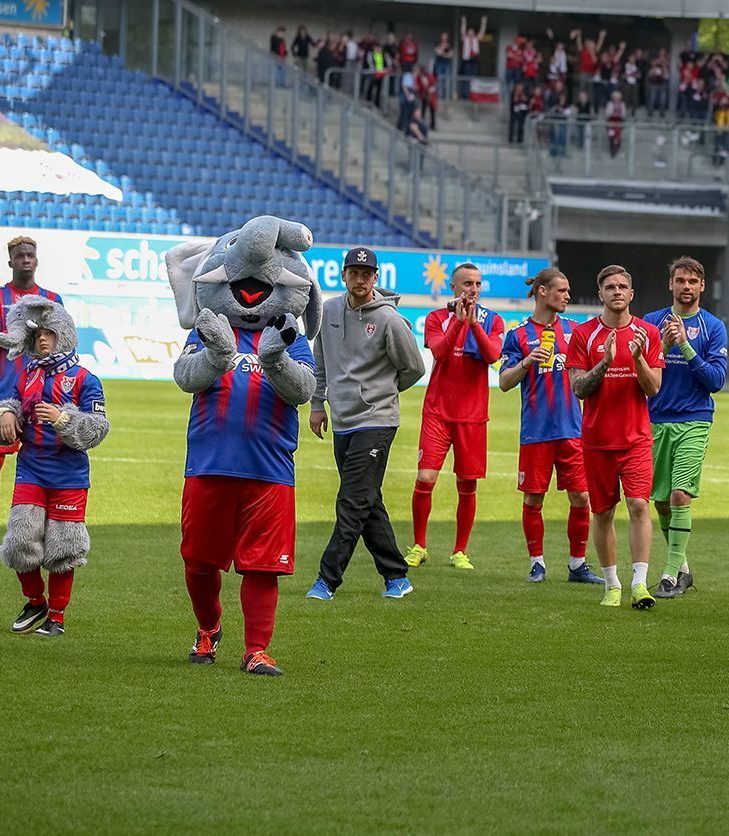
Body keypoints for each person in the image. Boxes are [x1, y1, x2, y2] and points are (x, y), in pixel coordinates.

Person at [169, 217, 319, 677]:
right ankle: (208, 629)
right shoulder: (209, 330)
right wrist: (216, 355)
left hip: (270, 469)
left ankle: (257, 649)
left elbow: (303, 390)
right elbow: (184, 377)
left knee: (263, 567)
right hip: (209, 465)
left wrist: (274, 358)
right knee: (198, 561)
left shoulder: (290, 337)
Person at [306, 248, 425, 601]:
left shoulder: (389, 320)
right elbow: (320, 360)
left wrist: (384, 392)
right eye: (354, 273)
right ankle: (396, 576)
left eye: (366, 274)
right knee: (368, 499)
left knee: (352, 501)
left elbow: (414, 368)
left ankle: (327, 580)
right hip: (342, 420)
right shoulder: (328, 311)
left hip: (377, 420)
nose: (360, 279)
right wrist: (317, 403)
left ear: (376, 278)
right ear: (344, 275)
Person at [0, 297, 108, 637]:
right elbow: (5, 402)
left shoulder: (85, 379)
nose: (42, 339)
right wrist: (5, 414)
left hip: (69, 474)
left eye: (50, 333)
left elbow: (98, 427)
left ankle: (57, 616)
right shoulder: (26, 374)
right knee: (20, 539)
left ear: (65, 335)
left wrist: (64, 418)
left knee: (63, 548)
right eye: (38, 333)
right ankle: (35, 600)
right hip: (31, 468)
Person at [568, 266, 665, 610]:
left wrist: (637, 359)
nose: (617, 291)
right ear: (601, 294)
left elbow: (653, 387)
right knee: (604, 513)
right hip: (596, 441)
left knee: (639, 505)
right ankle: (612, 585)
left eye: (623, 286)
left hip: (636, 438)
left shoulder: (648, 333)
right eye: (610, 287)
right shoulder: (583, 335)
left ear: (632, 294)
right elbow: (578, 387)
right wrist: (604, 364)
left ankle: (639, 583)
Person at [498, 269, 602, 584]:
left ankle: (577, 565)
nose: (567, 296)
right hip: (536, 432)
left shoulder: (576, 332)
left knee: (582, 498)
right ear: (543, 292)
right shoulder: (517, 334)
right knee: (533, 499)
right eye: (562, 290)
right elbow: (503, 382)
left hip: (573, 429)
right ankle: (537, 564)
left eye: (568, 290)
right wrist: (527, 361)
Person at [401, 263, 505, 572]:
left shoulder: (493, 320)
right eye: (467, 284)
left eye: (477, 284)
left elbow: (492, 356)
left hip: (472, 417)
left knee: (467, 485)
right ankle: (419, 545)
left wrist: (473, 324)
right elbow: (441, 352)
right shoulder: (436, 318)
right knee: (425, 478)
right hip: (437, 412)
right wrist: (459, 323)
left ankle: (460, 551)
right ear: (453, 287)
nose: (473, 289)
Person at [643, 258, 729, 599]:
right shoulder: (651, 323)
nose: (687, 286)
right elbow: (642, 373)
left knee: (680, 495)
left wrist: (685, 346)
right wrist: (662, 345)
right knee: (661, 502)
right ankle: (684, 568)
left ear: (702, 286)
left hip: (694, 418)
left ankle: (667, 575)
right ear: (671, 285)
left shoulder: (713, 327)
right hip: (655, 420)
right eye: (680, 280)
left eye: (693, 281)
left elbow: (716, 381)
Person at [0, 237, 62, 552]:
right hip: (2, 392)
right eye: (19, 256)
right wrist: (16, 334)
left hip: (43, 392)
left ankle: (43, 529)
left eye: (30, 255)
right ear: (10, 262)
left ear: (37, 260)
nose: (26, 259)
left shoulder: (52, 299)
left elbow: (61, 340)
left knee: (45, 460)